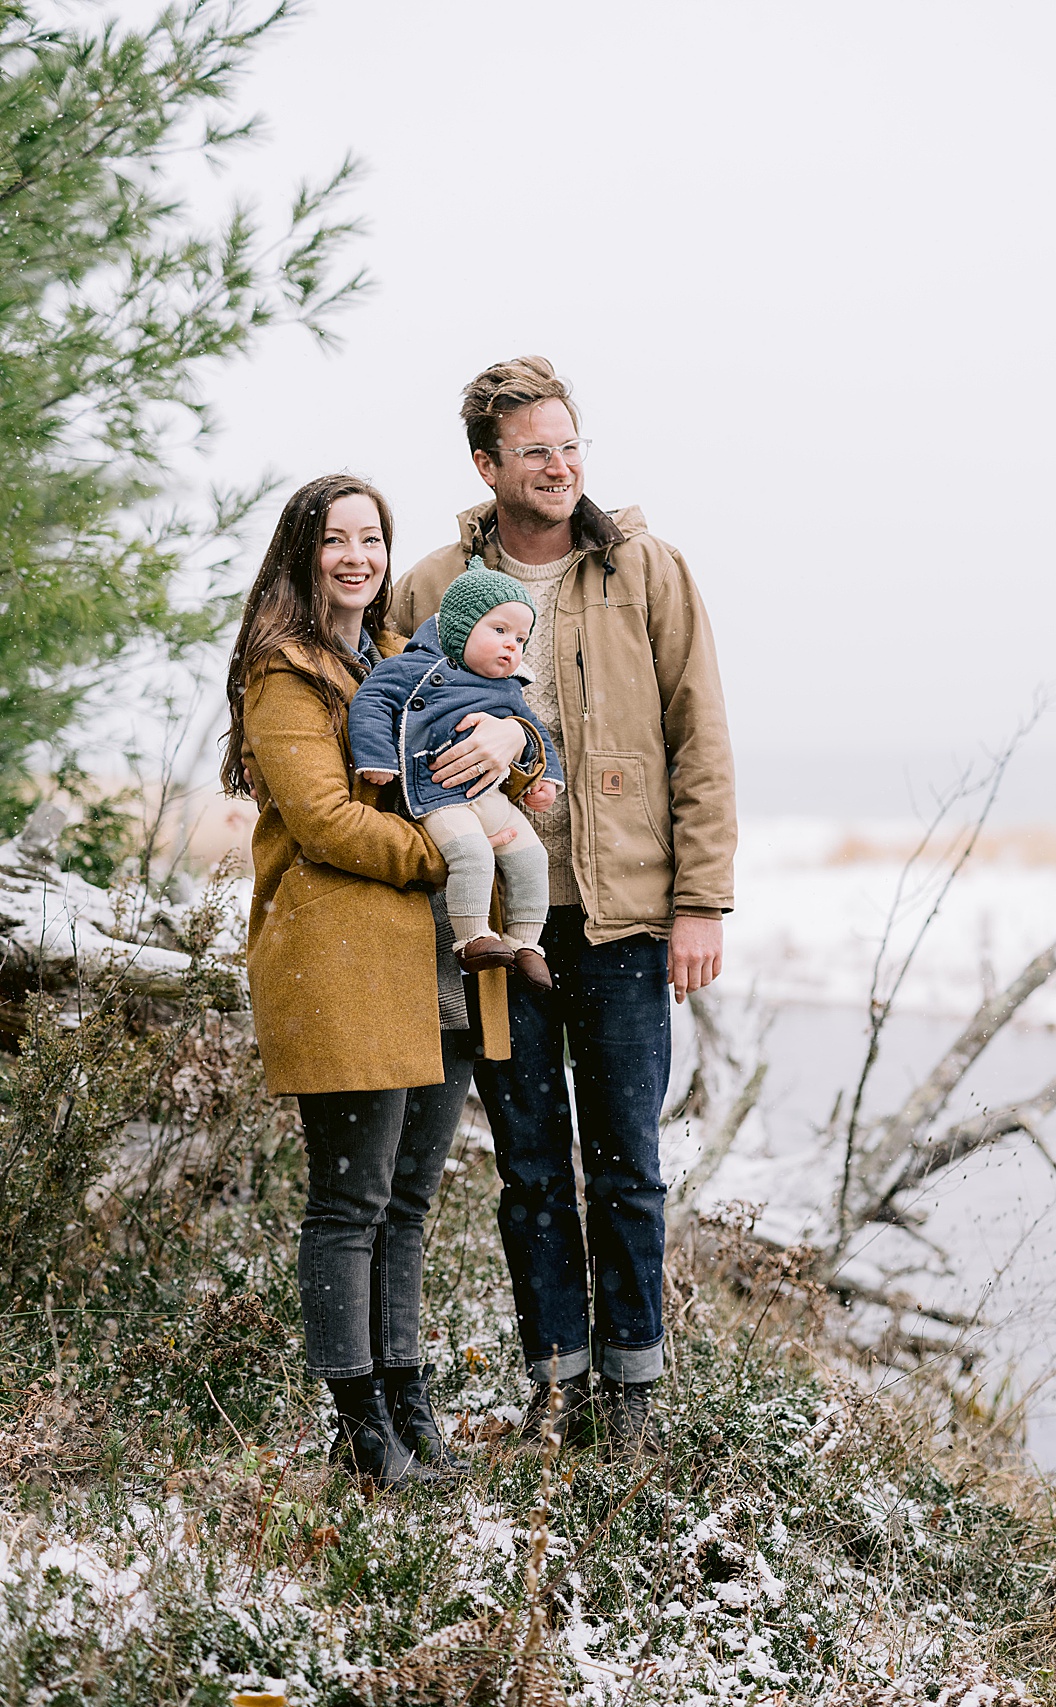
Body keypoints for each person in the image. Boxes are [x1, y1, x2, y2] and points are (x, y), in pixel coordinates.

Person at [392, 357, 736, 1454]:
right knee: (531, 1171)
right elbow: (390, 732)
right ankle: (558, 1387)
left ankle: (629, 1399)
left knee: (627, 1167)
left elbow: (701, 740)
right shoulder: (434, 583)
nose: (559, 465)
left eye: (570, 443)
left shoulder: (646, 569)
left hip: (623, 920)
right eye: (533, 450)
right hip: (498, 930)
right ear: (486, 465)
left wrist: (702, 904)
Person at [221, 472, 543, 1488]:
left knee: (407, 1204)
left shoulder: (404, 660)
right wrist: (446, 855)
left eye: (373, 538)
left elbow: (506, 740)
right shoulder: (285, 675)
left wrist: (514, 736)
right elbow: (323, 823)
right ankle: (361, 1431)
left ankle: (410, 1413)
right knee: (350, 1203)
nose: (358, 557)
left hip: (433, 971)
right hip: (345, 964)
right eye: (336, 540)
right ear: (301, 554)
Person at [347, 564, 564, 990]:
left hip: (491, 797)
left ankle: (524, 943)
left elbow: (536, 731)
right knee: (473, 855)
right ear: (462, 627)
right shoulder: (412, 668)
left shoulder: (508, 688)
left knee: (531, 858)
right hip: (438, 792)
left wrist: (545, 779)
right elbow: (371, 702)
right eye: (499, 629)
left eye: (520, 639)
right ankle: (472, 937)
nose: (511, 646)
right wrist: (377, 758)